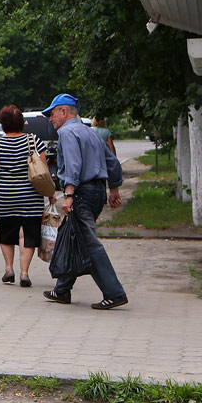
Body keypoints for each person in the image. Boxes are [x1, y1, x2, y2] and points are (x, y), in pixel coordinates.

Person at [41, 93, 128, 310]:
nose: (51, 119)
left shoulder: (68, 133)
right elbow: (112, 163)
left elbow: (74, 165)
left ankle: (114, 293)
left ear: (64, 111)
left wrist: (68, 195)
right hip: (96, 192)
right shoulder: (90, 132)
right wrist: (113, 189)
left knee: (89, 243)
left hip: (81, 194)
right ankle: (62, 289)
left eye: (52, 114)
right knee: (75, 235)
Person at [0, 105, 52, 287]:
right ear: (21, 122)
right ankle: (24, 273)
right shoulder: (34, 140)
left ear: (2, 124)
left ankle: (8, 269)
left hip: (5, 196)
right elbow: (44, 170)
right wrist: (51, 194)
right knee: (27, 234)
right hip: (31, 196)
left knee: (7, 232)